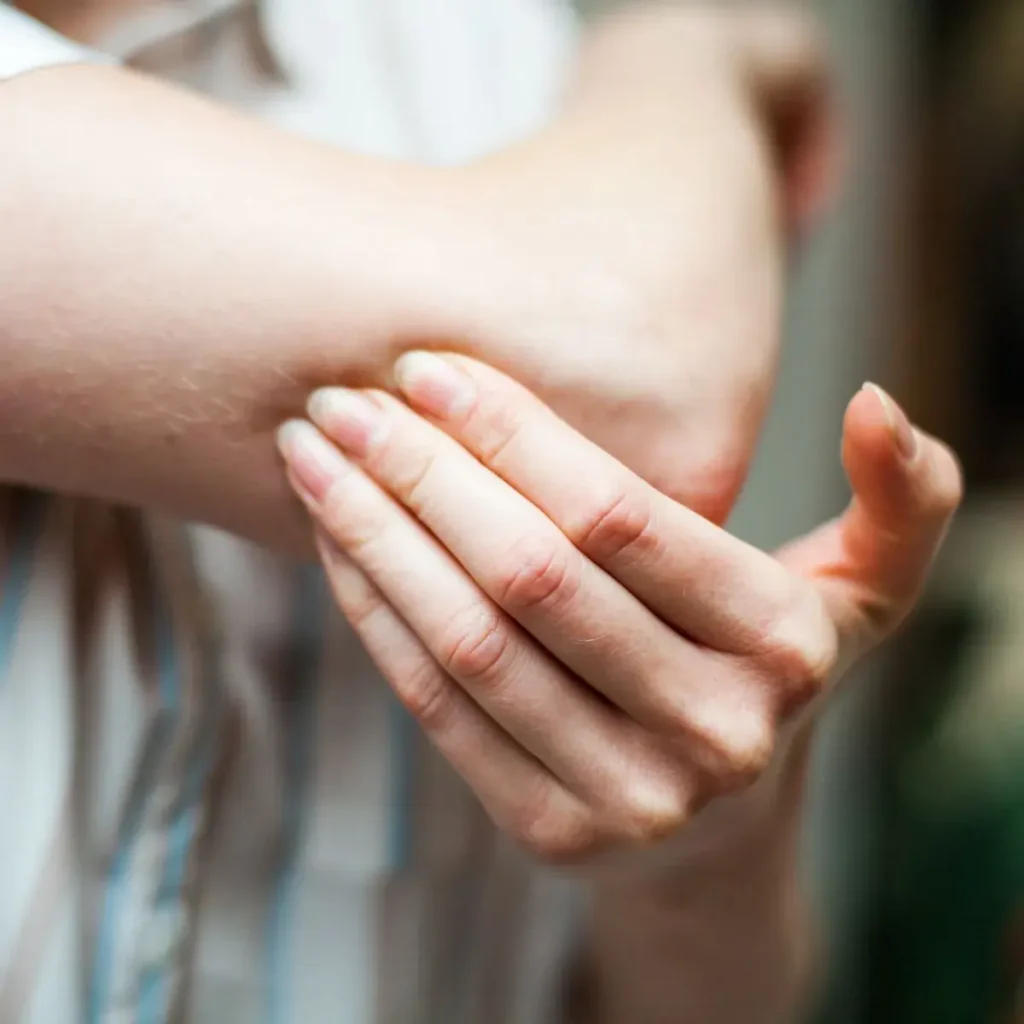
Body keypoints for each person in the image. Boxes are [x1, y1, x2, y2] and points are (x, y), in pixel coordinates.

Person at [0, 1, 960, 1022]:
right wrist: (692, 42)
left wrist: (696, 865)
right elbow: (639, 382)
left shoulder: (482, 45)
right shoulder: (606, 95)